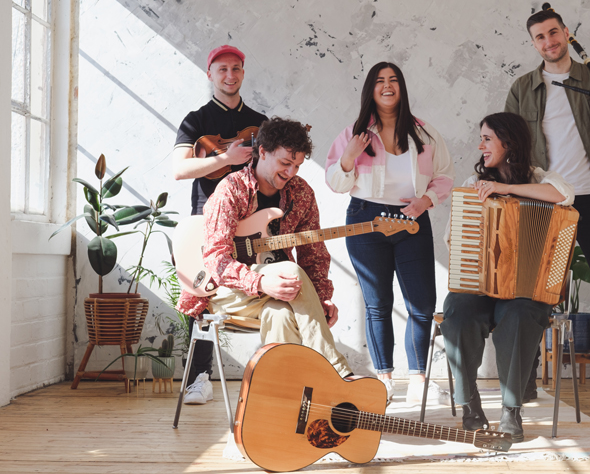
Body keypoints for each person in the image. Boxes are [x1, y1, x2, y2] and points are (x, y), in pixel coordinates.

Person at [505, 6, 590, 410]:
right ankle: (526, 378)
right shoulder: (522, 88)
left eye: (553, 33)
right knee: (534, 293)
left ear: (566, 32)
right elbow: (510, 143)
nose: (549, 42)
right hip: (546, 201)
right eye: (540, 37)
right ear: (534, 44)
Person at [176, 117, 352, 400]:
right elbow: (216, 259)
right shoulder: (231, 189)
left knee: (280, 314)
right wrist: (260, 282)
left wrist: (321, 299)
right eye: (285, 163)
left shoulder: (302, 193)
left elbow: (314, 255)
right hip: (223, 291)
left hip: (275, 293)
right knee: (291, 272)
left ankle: (281, 404)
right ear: (263, 152)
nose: (291, 171)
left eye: (297, 165)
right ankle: (337, 373)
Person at [325, 61, 454, 405]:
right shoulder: (354, 134)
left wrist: (426, 200)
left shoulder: (424, 133)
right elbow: (335, 183)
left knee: (422, 303)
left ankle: (418, 379)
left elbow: (444, 176)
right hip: (366, 220)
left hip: (412, 220)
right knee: (378, 304)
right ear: (371, 89)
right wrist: (348, 158)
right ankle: (383, 380)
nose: (387, 85)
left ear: (402, 88)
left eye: (393, 80)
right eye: (380, 81)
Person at [441, 112, 574, 442]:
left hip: (523, 291)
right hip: (480, 286)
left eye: (487, 138)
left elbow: (565, 196)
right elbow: (452, 238)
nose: (480, 146)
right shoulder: (474, 187)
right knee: (458, 314)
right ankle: (470, 403)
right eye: (481, 138)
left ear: (509, 142)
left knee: (520, 316)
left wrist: (506, 188)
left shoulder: (541, 179)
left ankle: (511, 411)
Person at [173, 45, 268, 404]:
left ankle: (270, 374)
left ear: (243, 73)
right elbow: (180, 169)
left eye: (237, 68)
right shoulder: (195, 120)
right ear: (210, 74)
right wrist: (226, 159)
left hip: (251, 218)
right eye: (223, 69)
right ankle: (199, 378)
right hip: (204, 217)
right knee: (200, 293)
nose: (230, 75)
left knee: (262, 286)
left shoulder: (262, 122)